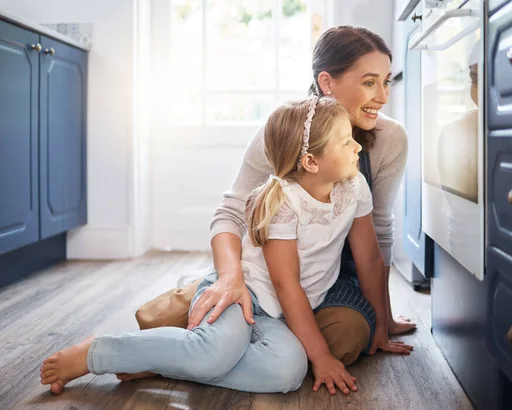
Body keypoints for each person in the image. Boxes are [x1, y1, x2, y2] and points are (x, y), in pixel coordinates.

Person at [40, 97, 411, 396]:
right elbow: (286, 285)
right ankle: (96, 352)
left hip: (280, 314)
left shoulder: (353, 187)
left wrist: (380, 323)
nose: (357, 145)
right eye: (346, 141)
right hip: (244, 294)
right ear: (311, 161)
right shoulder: (285, 203)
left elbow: (369, 256)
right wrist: (322, 356)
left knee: (286, 372)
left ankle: (169, 359)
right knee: (214, 353)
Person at [135, 25, 415, 368]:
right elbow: (232, 211)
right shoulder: (284, 131)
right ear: (328, 82)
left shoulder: (390, 138)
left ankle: (221, 346)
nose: (383, 97)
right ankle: (209, 303)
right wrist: (230, 277)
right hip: (265, 272)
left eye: (387, 81)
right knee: (157, 323)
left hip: (332, 279)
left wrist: (382, 318)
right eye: (370, 82)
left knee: (345, 341)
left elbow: (379, 231)